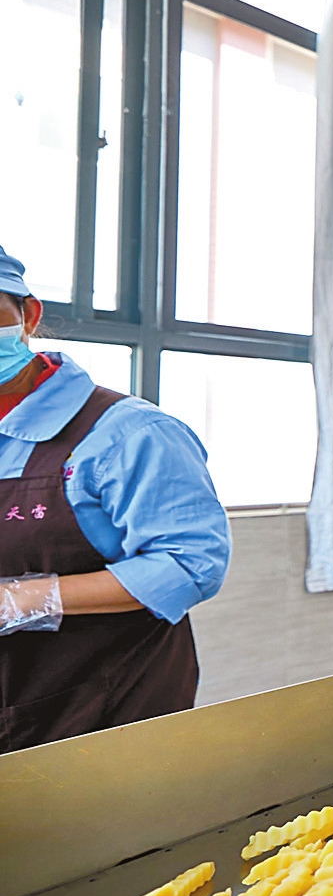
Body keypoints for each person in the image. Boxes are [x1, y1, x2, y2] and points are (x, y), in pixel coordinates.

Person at [0, 246, 231, 753]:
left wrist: (21, 599)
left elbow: (190, 564)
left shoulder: (130, 434)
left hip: (99, 706)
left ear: (28, 316)